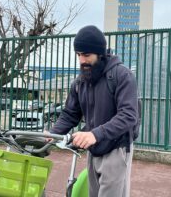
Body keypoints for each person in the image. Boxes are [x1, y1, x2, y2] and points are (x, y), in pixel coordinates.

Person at [49, 25, 138, 197]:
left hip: (116, 147)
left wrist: (95, 134)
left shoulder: (122, 76)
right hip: (94, 147)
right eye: (79, 55)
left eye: (86, 55)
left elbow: (129, 115)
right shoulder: (80, 82)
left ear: (100, 53)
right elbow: (70, 114)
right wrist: (53, 133)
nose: (82, 60)